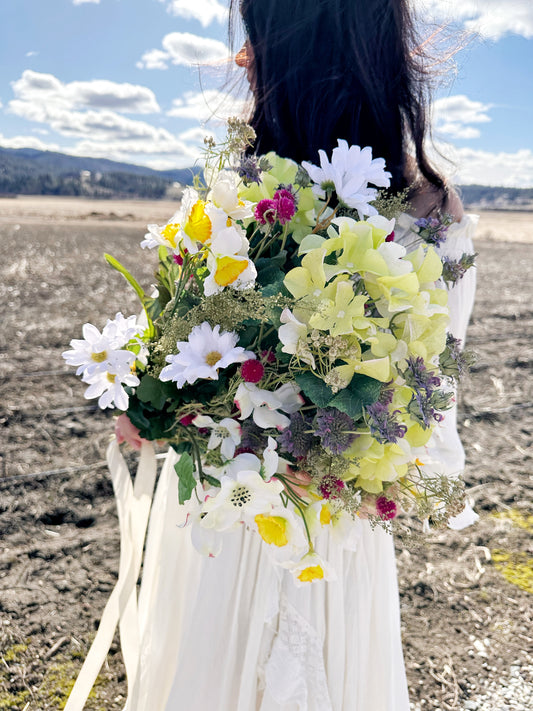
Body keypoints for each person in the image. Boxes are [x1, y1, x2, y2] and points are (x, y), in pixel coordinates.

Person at [66, 2, 477, 710]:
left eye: (253, 38)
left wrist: (200, 422)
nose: (239, 59)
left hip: (252, 535)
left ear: (299, 50)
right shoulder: (427, 212)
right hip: (292, 529)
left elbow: (417, 412)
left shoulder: (244, 191)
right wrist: (160, 400)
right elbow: (427, 422)